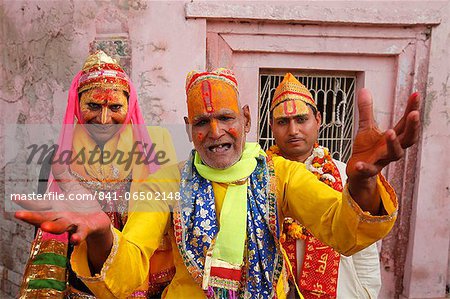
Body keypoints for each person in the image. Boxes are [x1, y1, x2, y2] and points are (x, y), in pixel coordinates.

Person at [15, 68, 421, 298]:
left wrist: (364, 185)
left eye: (226, 118)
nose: (215, 131)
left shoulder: (279, 173)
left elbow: (341, 230)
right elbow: (133, 259)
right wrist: (103, 235)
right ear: (189, 128)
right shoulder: (166, 180)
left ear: (245, 118)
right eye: (202, 122)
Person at [18, 51, 177, 298]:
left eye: (115, 107)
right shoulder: (59, 159)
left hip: (142, 282)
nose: (104, 119)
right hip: (81, 286)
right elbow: (51, 227)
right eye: (93, 105)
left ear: (130, 105)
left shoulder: (154, 151)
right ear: (77, 104)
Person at [267, 73, 381, 298]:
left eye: (301, 119)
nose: (293, 131)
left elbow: (365, 250)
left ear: (317, 119)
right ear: (271, 126)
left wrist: (365, 292)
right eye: (283, 122)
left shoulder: (345, 175)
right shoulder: (259, 178)